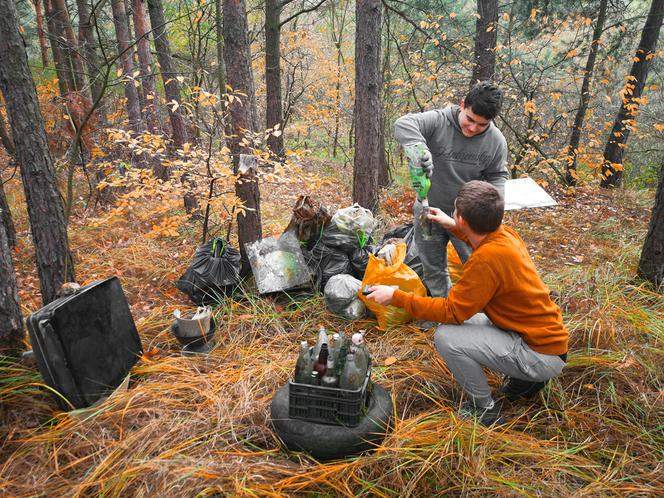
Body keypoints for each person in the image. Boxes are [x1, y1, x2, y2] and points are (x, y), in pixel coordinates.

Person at [365, 181, 568, 426]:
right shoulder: (505, 234)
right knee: (471, 320)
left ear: (461, 218)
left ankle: (486, 410)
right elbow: (479, 239)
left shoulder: (485, 262)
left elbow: (452, 311)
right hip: (548, 341)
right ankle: (527, 382)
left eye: (455, 213)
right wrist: (452, 225)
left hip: (539, 355)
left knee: (447, 337)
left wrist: (396, 297)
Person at [394, 81, 509, 298]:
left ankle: (484, 315)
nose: (473, 128)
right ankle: (443, 311)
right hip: (428, 212)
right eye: (470, 119)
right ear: (462, 105)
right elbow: (403, 124)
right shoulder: (439, 121)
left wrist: (495, 210)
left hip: (468, 219)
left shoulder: (496, 141)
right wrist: (420, 149)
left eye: (482, 125)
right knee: (433, 268)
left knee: (479, 266)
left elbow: (498, 176)